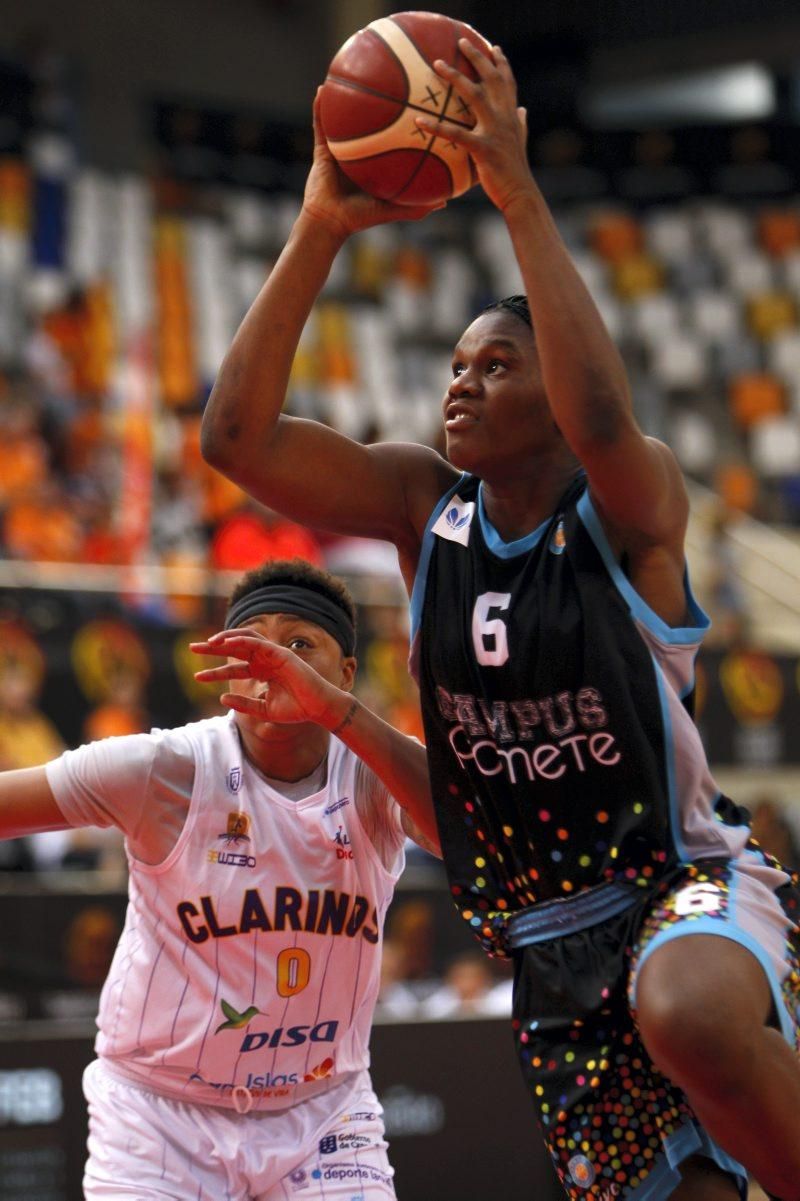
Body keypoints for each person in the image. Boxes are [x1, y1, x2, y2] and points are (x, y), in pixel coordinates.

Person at [199, 36, 800, 1201]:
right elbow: (235, 442)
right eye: (456, 363)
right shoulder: (424, 509)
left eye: (497, 363)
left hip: (676, 886)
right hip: (540, 952)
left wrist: (514, 188)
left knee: (685, 1014)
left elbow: (603, 414)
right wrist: (320, 224)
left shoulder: (630, 508)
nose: (461, 381)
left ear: (554, 391)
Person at [0, 557, 439, 1200]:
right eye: (252, 642)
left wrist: (348, 718)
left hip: (322, 1111)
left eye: (297, 644)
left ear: (347, 673)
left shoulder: (377, 773)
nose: (272, 661)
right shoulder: (165, 768)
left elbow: (478, 834)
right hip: (159, 1116)